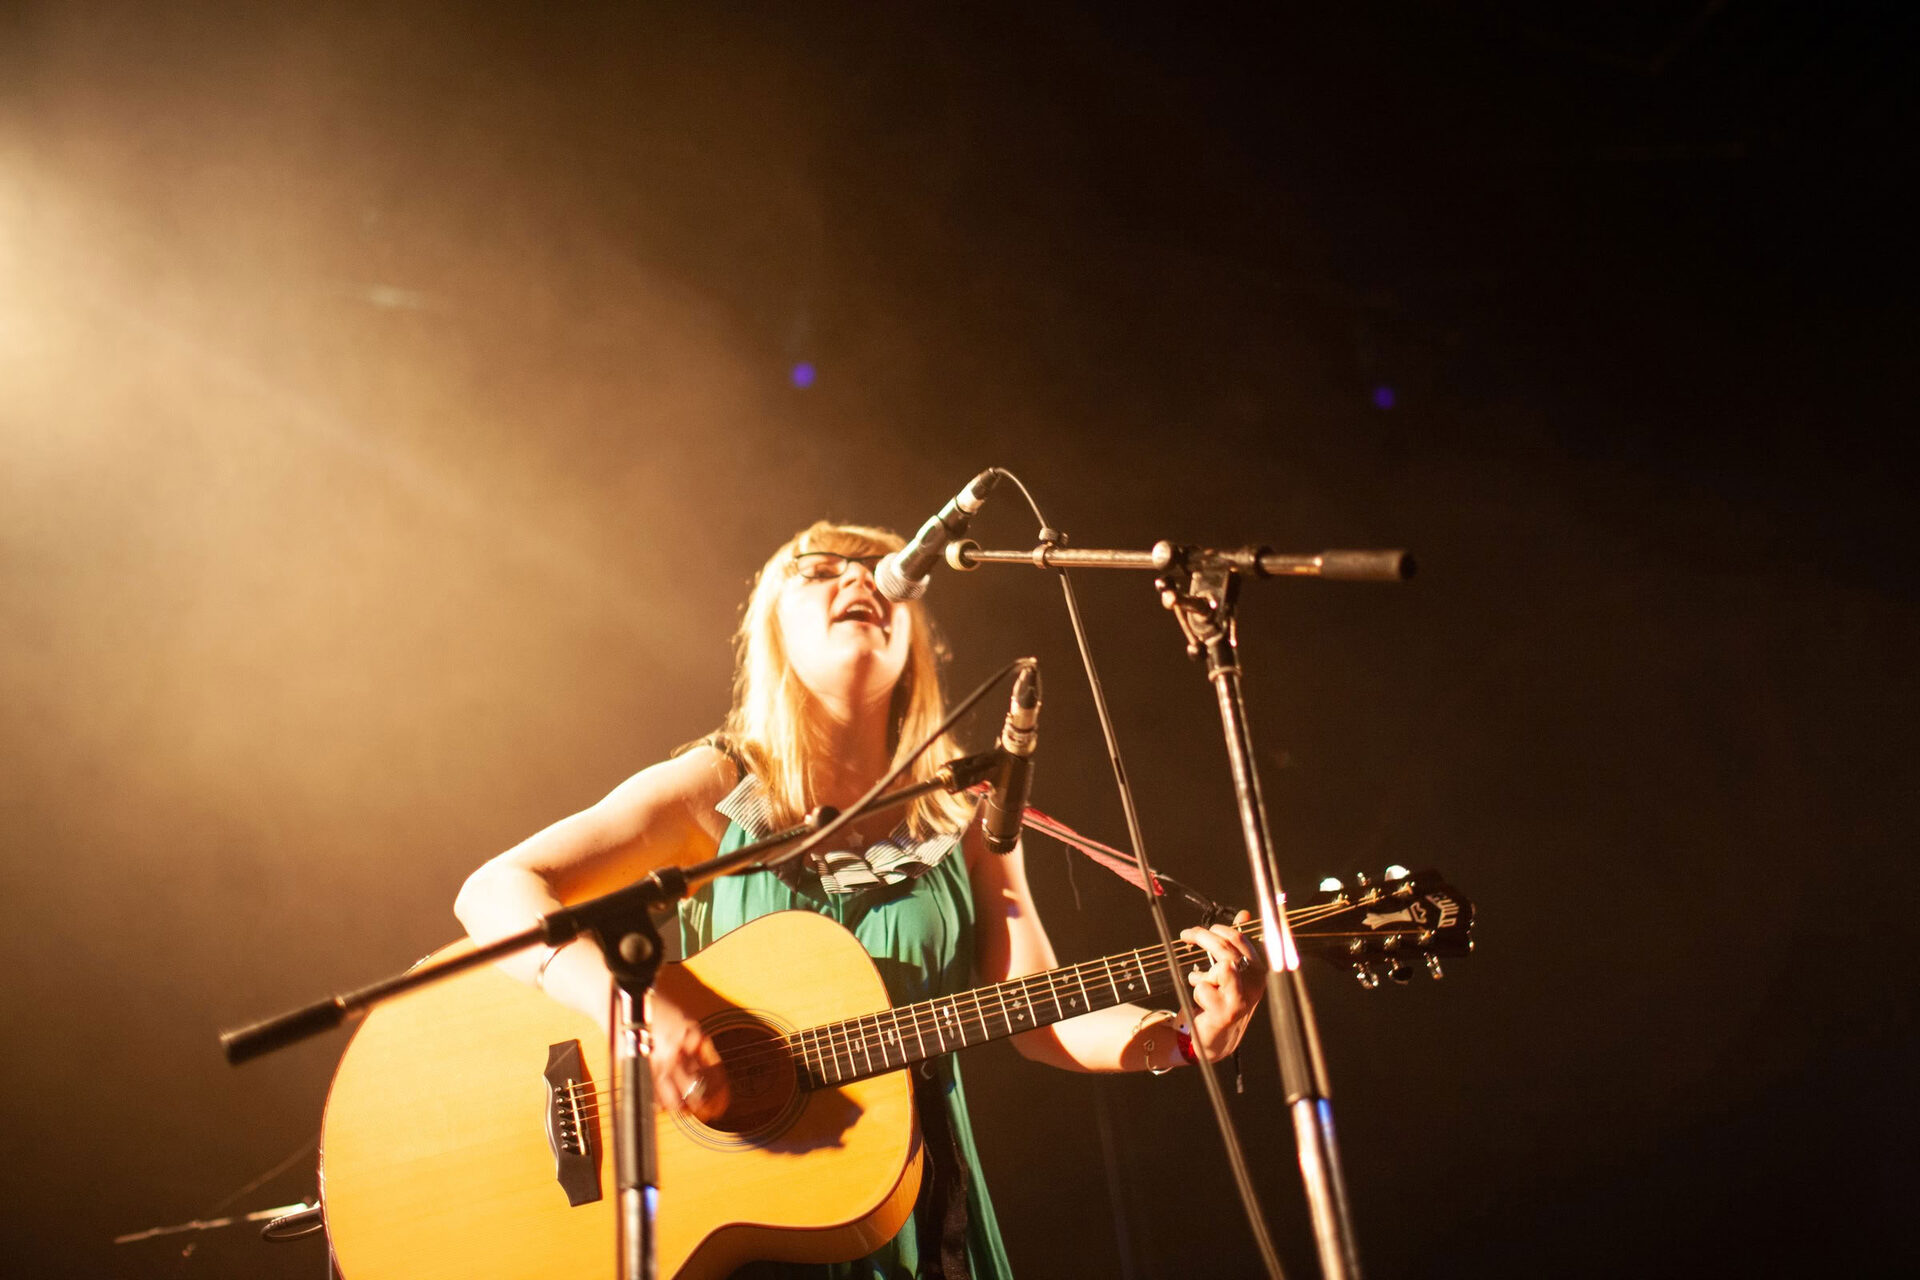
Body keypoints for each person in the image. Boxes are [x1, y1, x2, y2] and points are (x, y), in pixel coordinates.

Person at [454, 520, 1266, 1279]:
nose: (861, 581)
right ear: (773, 633)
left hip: (913, 1211)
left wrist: (1187, 1039)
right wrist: (634, 1020)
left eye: (880, 575)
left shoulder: (970, 819)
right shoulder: (714, 788)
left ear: (915, 642)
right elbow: (494, 893)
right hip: (745, 1207)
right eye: (819, 572)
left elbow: (1040, 1016)